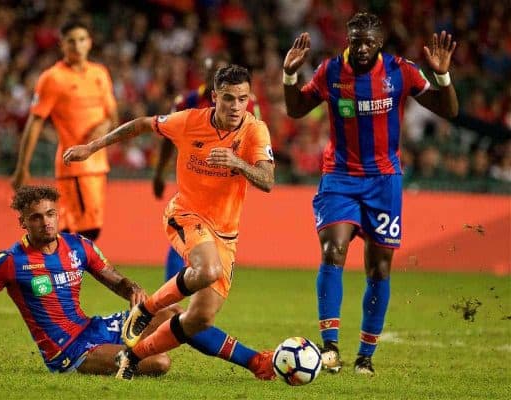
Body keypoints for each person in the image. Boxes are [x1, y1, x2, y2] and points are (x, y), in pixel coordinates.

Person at [64, 64, 276, 380]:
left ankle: (132, 357)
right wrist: (92, 148)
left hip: (226, 233)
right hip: (186, 215)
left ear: (249, 99)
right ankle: (146, 309)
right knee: (207, 270)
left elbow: (267, 180)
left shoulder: (255, 130)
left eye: (242, 99)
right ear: (214, 97)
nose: (235, 107)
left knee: (199, 320)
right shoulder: (189, 121)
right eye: (228, 98)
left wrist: (237, 162)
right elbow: (141, 125)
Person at [282, 12, 458, 375]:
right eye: (355, 39)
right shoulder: (330, 71)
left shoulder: (400, 71)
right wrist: (289, 75)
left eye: (368, 41)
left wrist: (442, 75)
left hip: (384, 182)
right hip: (340, 177)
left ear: (380, 42)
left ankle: (365, 355)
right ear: (347, 38)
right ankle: (330, 348)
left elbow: (449, 109)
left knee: (379, 266)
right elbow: (296, 109)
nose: (361, 48)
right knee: (333, 250)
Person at [0, 185, 174, 375]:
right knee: (160, 362)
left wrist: (132, 288)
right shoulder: (11, 262)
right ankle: (124, 352)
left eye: (50, 214)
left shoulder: (78, 246)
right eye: (36, 217)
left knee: (172, 313)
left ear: (58, 214)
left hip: (90, 328)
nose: (46, 222)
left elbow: (114, 279)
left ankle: (134, 349)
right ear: (22, 222)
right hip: (67, 350)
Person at [153, 56, 261, 282]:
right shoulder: (187, 102)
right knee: (186, 225)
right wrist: (159, 172)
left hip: (226, 179)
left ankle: (195, 311)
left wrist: (246, 167)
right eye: (210, 71)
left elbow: (254, 136)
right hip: (196, 176)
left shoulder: (248, 104)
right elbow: (166, 137)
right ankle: (170, 293)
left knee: (213, 244)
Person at [11, 19, 118, 241]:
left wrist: (105, 126)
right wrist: (22, 167)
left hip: (99, 164)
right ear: (62, 45)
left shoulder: (100, 73)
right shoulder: (53, 78)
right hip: (74, 166)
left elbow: (113, 116)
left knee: (82, 231)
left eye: (81, 40)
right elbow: (35, 121)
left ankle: (51, 271)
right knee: (82, 232)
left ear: (90, 42)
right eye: (71, 41)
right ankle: (47, 269)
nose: (77, 46)